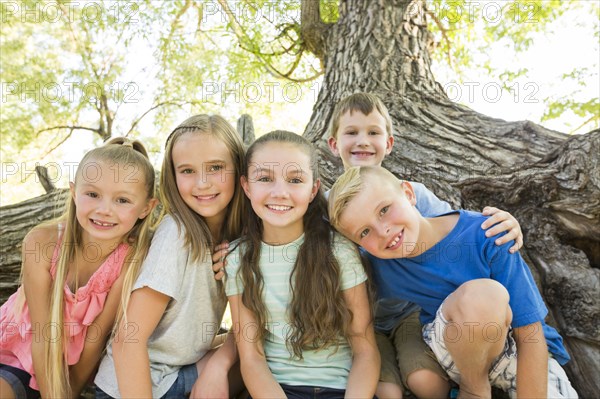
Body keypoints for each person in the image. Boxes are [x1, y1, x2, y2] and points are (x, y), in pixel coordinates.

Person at [324, 92, 527, 399]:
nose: (363, 141)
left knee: (425, 383)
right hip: (360, 321)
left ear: (389, 144)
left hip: (410, 312)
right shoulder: (328, 210)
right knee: (386, 391)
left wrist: (506, 224)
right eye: (351, 132)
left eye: (374, 132)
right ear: (333, 144)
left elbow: (455, 232)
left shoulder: (413, 196)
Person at [328, 165, 578, 399]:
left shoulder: (488, 233)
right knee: (481, 297)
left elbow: (530, 332)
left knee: (485, 296)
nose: (383, 231)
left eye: (384, 210)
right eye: (364, 232)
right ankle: (473, 390)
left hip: (519, 350)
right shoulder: (375, 262)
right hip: (452, 348)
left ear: (408, 193)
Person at [94, 114, 246, 398]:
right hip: (136, 385)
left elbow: (252, 326)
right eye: (187, 170)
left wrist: (217, 368)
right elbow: (129, 339)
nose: (202, 183)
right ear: (172, 176)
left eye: (215, 167)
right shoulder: (177, 235)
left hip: (176, 372)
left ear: (239, 169)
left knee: (262, 352)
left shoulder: (238, 240)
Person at [224, 130, 380, 398]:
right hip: (274, 389)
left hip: (342, 389)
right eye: (264, 178)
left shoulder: (338, 250)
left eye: (295, 180)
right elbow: (252, 357)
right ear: (247, 186)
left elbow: (364, 348)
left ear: (313, 190)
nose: (280, 192)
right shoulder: (238, 258)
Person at [0, 137, 158, 399]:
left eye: (122, 200)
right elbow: (41, 337)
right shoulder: (42, 242)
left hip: (67, 372)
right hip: (14, 354)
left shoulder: (130, 259)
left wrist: (66, 394)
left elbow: (95, 341)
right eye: (93, 194)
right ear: (74, 193)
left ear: (146, 208)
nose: (104, 210)